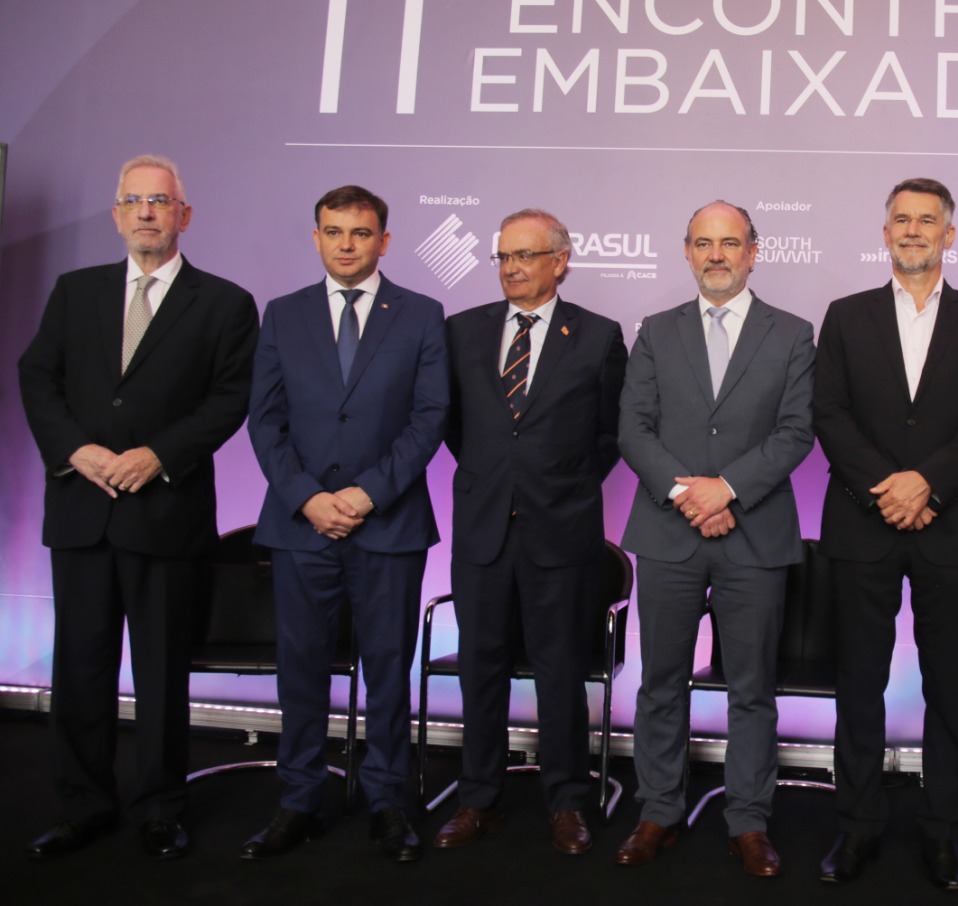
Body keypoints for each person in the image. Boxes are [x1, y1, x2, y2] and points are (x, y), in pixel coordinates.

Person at [18, 154, 258, 861]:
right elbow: (38, 376)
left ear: (185, 215)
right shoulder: (76, 291)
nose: (147, 212)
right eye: (134, 201)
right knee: (80, 669)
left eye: (160, 201)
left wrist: (158, 454)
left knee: (160, 671)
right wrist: (76, 450)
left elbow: (231, 398)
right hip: (83, 507)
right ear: (117, 214)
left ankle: (160, 808)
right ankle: (84, 806)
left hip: (166, 512)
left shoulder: (225, 303)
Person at [813, 179, 958, 891]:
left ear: (949, 235)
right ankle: (857, 825)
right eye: (902, 219)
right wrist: (890, 488)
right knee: (858, 683)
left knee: (949, 686)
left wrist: (929, 483)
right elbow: (829, 414)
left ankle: (944, 831)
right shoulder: (846, 316)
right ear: (885, 232)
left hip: (948, 526)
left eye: (928, 220)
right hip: (863, 524)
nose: (913, 230)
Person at [244, 185, 447, 862]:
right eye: (334, 232)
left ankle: (387, 800)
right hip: (300, 525)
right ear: (316, 238)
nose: (347, 245)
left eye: (361, 233)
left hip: (388, 525)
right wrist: (307, 497)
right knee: (300, 669)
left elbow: (429, 419)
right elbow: (265, 421)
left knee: (387, 669)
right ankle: (299, 799)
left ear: (384, 241)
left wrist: (366, 495)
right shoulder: (284, 313)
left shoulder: (421, 314)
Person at [614, 200, 815, 878]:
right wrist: (690, 496)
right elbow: (633, 429)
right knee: (659, 683)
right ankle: (658, 811)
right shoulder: (655, 332)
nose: (717, 255)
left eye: (730, 243)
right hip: (667, 532)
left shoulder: (793, 334)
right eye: (704, 243)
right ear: (687, 251)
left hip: (754, 535)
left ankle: (749, 821)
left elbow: (796, 431)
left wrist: (725, 490)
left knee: (752, 688)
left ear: (754, 252)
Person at [432, 209, 626, 855]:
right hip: (483, 527)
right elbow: (454, 426)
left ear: (560, 261)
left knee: (560, 670)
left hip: (561, 531)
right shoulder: (461, 330)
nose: (511, 268)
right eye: (504, 257)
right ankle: (477, 799)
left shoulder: (598, 335)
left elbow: (611, 435)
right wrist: (500, 478)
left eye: (525, 255)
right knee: (479, 668)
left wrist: (556, 483)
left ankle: (567, 802)